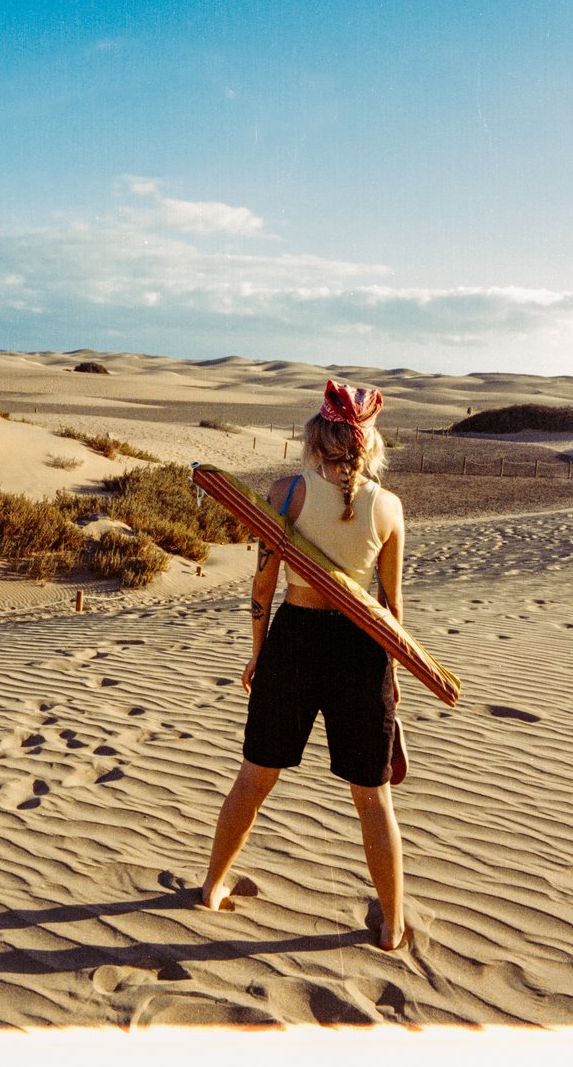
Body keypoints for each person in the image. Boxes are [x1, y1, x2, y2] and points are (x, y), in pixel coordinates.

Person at [201, 379, 408, 951]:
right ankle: (392, 924)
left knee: (254, 777)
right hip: (361, 650)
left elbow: (263, 584)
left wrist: (257, 653)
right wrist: (389, 675)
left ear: (317, 436)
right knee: (373, 796)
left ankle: (213, 886)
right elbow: (391, 609)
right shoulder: (388, 507)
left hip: (293, 641)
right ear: (370, 442)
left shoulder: (285, 492)